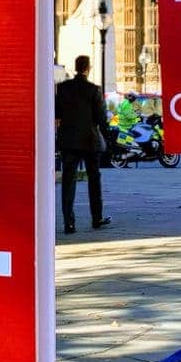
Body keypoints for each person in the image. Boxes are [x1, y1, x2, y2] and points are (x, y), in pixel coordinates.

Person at [56, 55, 111, 235]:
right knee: (94, 179)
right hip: (89, 140)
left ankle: (68, 223)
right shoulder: (93, 90)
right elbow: (101, 118)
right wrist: (107, 135)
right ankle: (97, 218)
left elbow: (57, 112)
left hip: (69, 141)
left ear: (76, 67)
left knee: (68, 182)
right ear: (88, 68)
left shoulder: (63, 88)